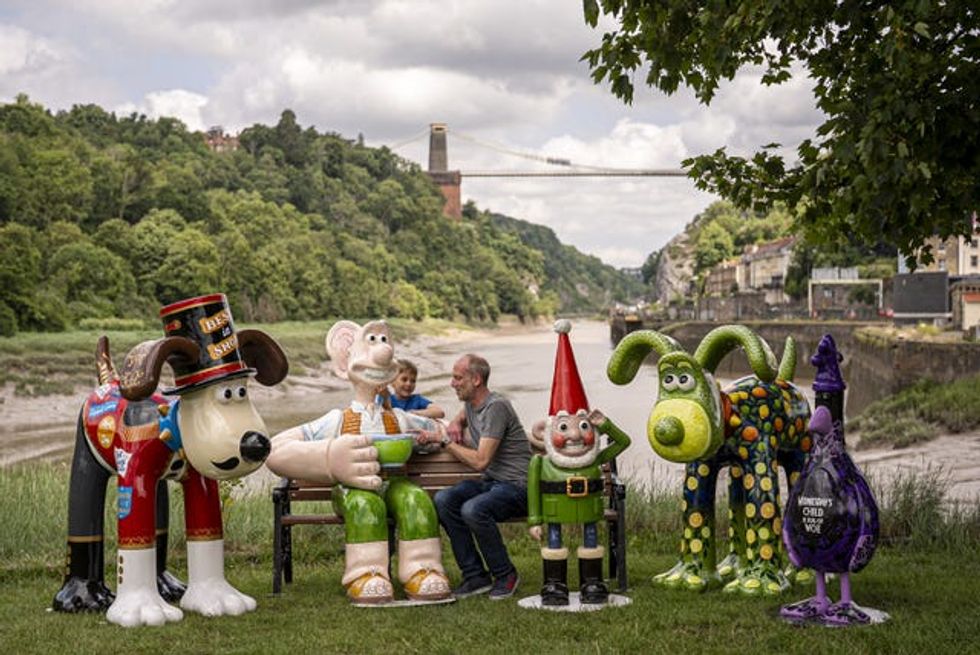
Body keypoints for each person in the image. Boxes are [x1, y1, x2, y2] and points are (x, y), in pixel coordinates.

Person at [420, 354, 531, 600]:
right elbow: (464, 413)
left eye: (458, 378)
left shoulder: (497, 407)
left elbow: (481, 461)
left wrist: (446, 441)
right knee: (444, 500)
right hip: (494, 484)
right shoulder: (472, 404)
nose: (452, 383)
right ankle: (475, 576)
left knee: (473, 509)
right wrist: (456, 422)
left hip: (519, 487)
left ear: (477, 380)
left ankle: (506, 575)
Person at [377, 359, 445, 419]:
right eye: (404, 379)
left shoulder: (417, 400)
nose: (409, 384)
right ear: (392, 381)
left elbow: (439, 412)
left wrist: (415, 413)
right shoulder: (387, 399)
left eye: (413, 381)